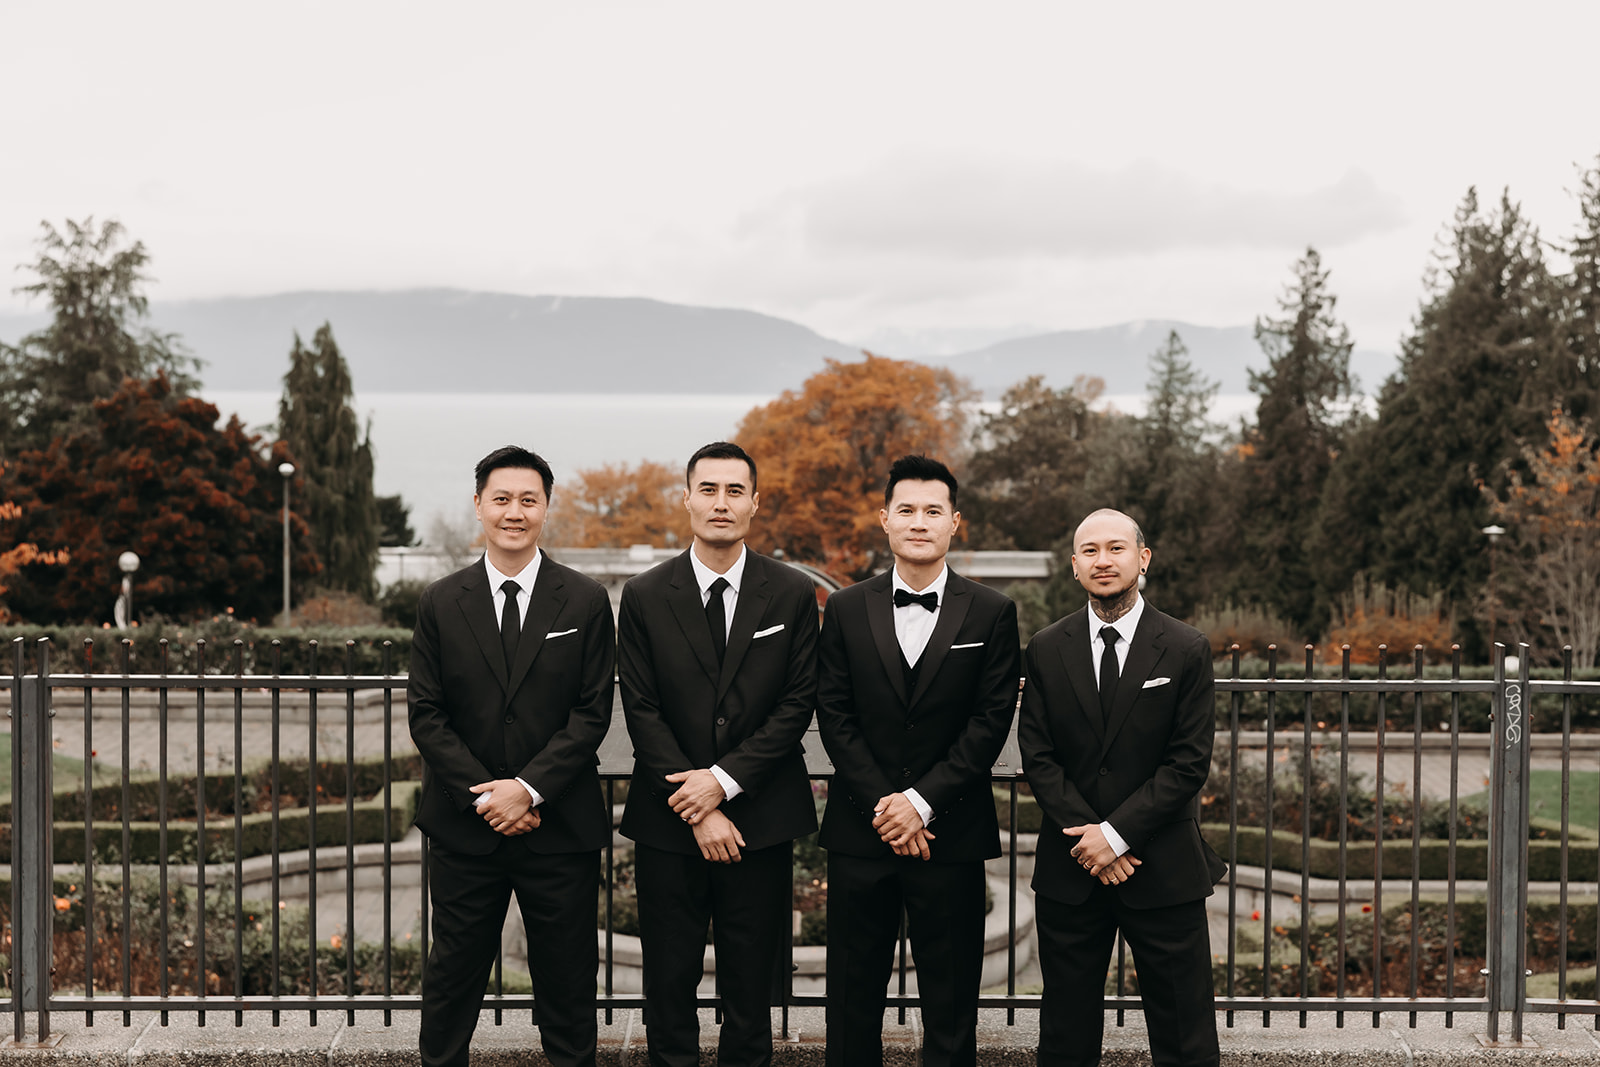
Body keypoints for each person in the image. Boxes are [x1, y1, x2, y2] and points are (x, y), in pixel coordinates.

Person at [408, 445, 616, 1067]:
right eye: (502, 499)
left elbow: (591, 714)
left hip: (559, 827)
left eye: (529, 500)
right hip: (463, 827)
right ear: (478, 506)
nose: (515, 512)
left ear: (546, 508)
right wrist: (489, 795)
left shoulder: (583, 601)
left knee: (569, 985)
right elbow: (428, 714)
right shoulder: (441, 602)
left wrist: (526, 790)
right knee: (452, 980)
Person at [616, 440, 820, 1067]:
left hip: (760, 818)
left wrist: (725, 783)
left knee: (752, 979)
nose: (721, 503)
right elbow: (641, 708)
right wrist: (699, 804)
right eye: (709, 489)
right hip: (669, 819)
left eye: (735, 491)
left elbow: (797, 702)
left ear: (755, 504)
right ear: (687, 500)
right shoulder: (646, 594)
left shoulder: (790, 592)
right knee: (668, 980)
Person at [814, 455, 1020, 1067]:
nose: (919, 521)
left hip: (950, 833)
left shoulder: (992, 612)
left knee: (952, 999)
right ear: (885, 520)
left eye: (934, 511)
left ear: (955, 522)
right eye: (907, 510)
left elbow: (989, 723)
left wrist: (921, 803)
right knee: (851, 1000)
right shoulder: (847, 608)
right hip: (861, 830)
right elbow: (835, 715)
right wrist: (889, 807)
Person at [1017, 508, 1226, 1067]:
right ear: (1074, 565)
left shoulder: (1185, 648)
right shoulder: (1044, 647)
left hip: (1163, 867)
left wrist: (1116, 835)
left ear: (1143, 558)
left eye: (1115, 548)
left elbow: (1187, 763)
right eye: (1090, 551)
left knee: (1186, 1035)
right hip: (1072, 867)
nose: (1103, 561)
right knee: (1064, 1036)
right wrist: (1093, 842)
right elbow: (1038, 757)